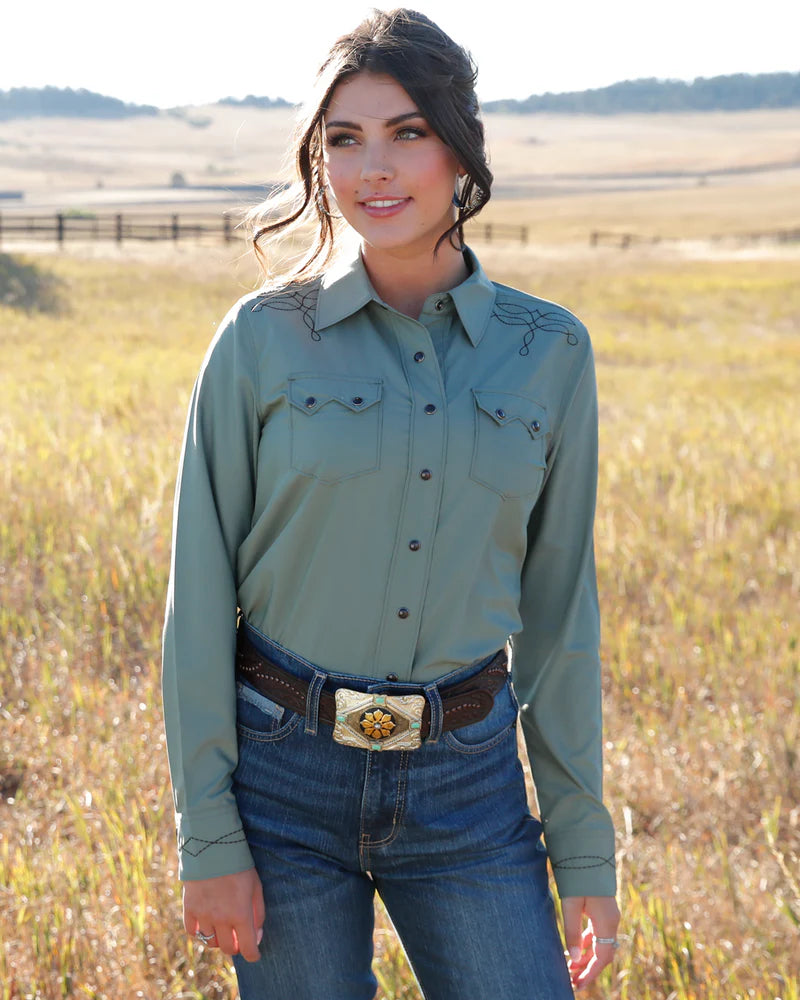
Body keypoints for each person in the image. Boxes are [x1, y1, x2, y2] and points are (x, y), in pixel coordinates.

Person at [162, 8, 620, 999]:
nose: (373, 168)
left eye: (405, 132)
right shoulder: (258, 340)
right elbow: (196, 603)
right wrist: (209, 834)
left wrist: (583, 853)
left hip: (467, 783)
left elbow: (559, 619)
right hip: (279, 778)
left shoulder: (549, 354)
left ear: (459, 144)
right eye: (343, 139)